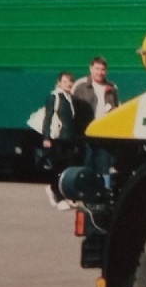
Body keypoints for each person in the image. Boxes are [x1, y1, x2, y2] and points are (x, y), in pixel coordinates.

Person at [72, 56, 119, 188]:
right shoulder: (80, 86)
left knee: (105, 166)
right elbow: (73, 110)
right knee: (87, 164)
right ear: (91, 69)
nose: (100, 72)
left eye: (103, 69)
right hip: (86, 133)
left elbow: (116, 109)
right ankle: (86, 191)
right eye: (97, 69)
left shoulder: (112, 87)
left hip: (104, 133)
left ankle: (105, 192)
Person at [41, 72, 79, 210]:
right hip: (57, 139)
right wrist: (46, 137)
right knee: (57, 168)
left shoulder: (70, 99)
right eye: (65, 81)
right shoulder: (54, 97)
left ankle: (65, 195)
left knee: (66, 169)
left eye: (70, 81)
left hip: (68, 140)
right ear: (59, 83)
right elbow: (48, 118)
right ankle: (56, 194)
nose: (68, 84)